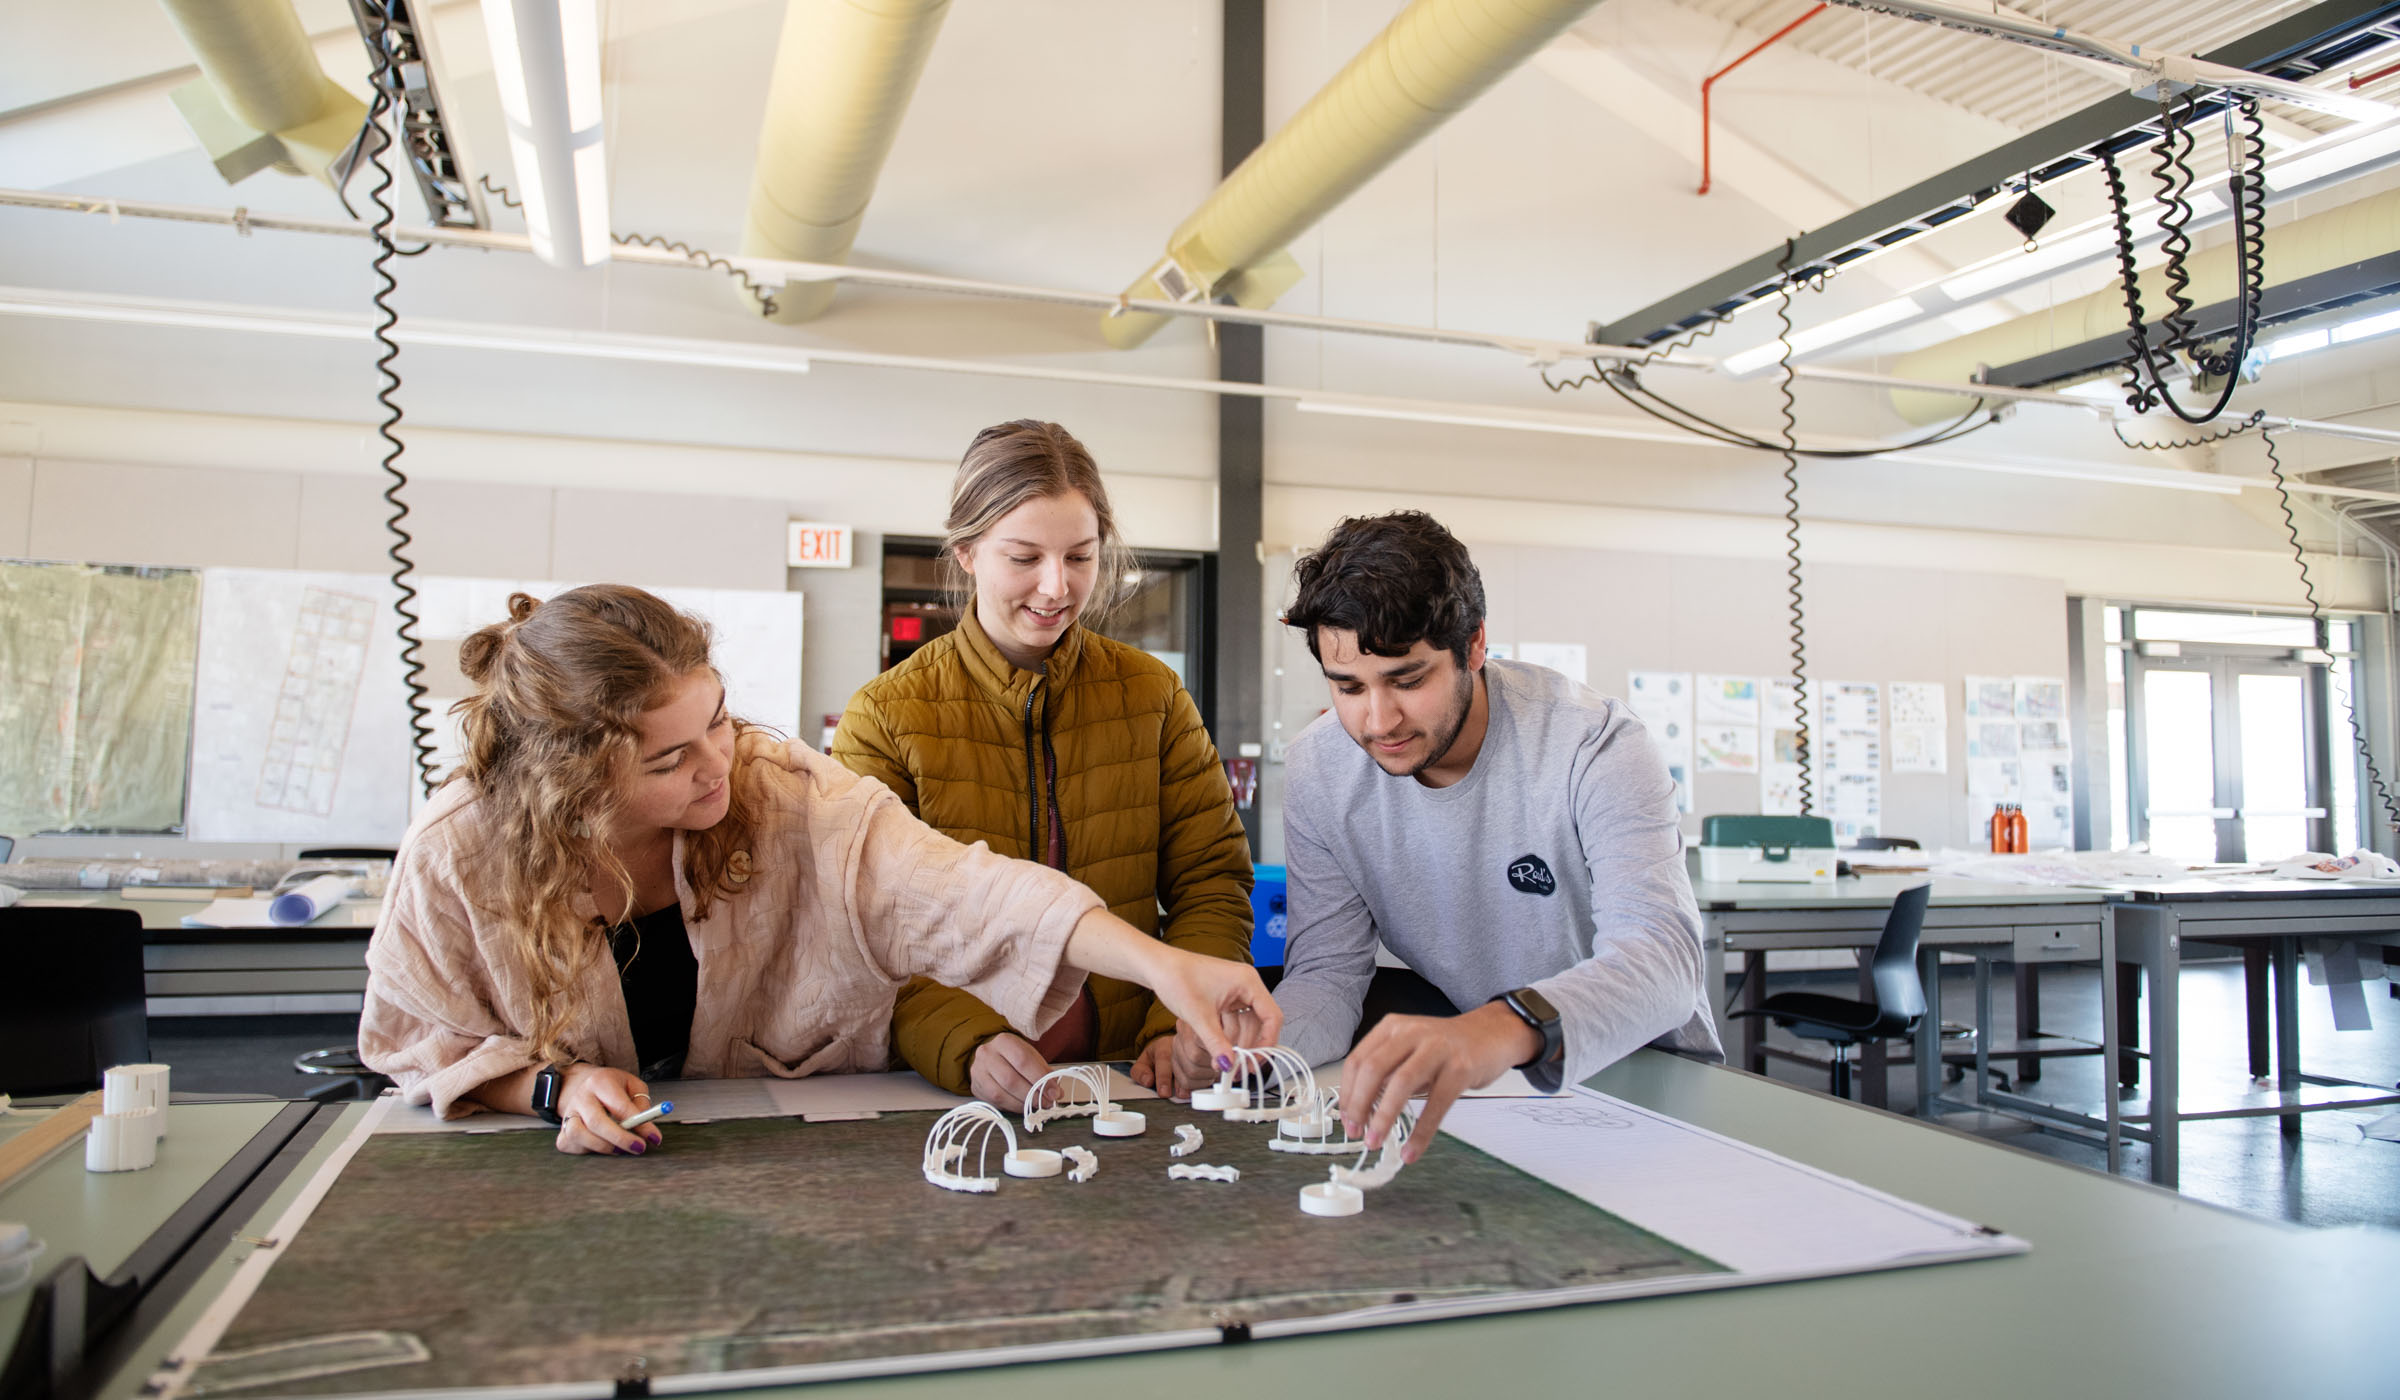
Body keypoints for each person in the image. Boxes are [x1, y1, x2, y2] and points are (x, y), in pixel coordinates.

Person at [359, 585, 1276, 1155]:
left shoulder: (780, 788)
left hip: (792, 1159)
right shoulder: (458, 854)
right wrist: (550, 1087)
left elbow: (958, 887)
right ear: (571, 781)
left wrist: (1163, 965)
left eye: (717, 719)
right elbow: (419, 1043)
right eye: (666, 760)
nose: (716, 764)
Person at [1270, 511, 1720, 1160]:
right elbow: (1327, 975)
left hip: (1645, 1080)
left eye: (1408, 679)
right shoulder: (1320, 769)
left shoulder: (1593, 745)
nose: (1378, 719)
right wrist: (1257, 1059)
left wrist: (1501, 1026)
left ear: (1475, 646)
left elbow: (1664, 962)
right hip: (1492, 1087)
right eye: (1348, 687)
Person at [835, 420, 1253, 1108]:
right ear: (967, 552)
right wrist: (962, 1040)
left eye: (1080, 557)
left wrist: (1172, 1021)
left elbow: (1210, 880)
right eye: (1023, 558)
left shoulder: (1151, 695)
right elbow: (865, 927)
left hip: (1132, 1077)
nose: (1056, 587)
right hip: (961, 1094)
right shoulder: (888, 715)